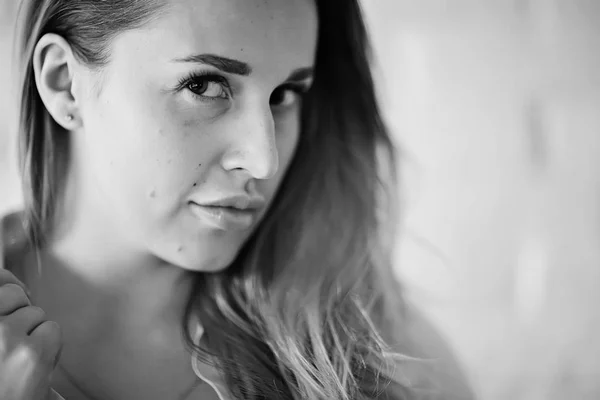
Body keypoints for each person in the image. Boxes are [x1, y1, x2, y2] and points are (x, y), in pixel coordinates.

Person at [0, 0, 475, 399]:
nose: (263, 160)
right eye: (203, 85)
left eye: (285, 94)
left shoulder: (381, 356)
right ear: (65, 83)